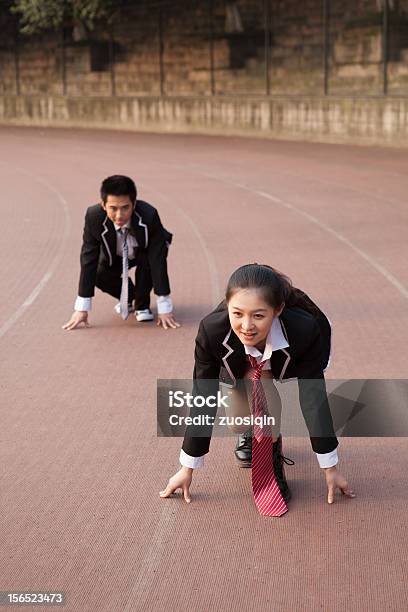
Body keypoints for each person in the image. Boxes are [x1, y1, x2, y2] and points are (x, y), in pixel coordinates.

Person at [160, 263, 355, 511]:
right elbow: (203, 397)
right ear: (227, 306)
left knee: (262, 382)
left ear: (278, 310)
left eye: (259, 315)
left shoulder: (305, 329)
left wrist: (330, 467)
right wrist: (187, 467)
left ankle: (271, 450)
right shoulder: (212, 331)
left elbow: (312, 398)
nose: (247, 325)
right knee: (238, 422)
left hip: (289, 354)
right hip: (238, 358)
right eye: (237, 313)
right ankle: (253, 430)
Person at [63, 175, 180, 331]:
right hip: (114, 253)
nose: (119, 215)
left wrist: (165, 308)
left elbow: (157, 260)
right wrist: (81, 308)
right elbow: (88, 258)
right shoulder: (94, 217)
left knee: (149, 265)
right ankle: (130, 297)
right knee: (98, 272)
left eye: (125, 207)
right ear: (103, 205)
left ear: (134, 204)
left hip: (144, 251)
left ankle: (142, 305)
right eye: (113, 208)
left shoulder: (149, 215)